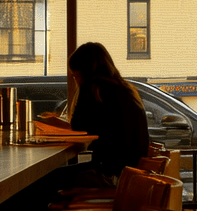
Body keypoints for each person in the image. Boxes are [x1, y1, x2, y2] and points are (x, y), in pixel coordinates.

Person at [46, 42, 149, 183]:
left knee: (40, 182)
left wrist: (52, 124)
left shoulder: (93, 88)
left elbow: (78, 127)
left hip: (108, 176)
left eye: (75, 76)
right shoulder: (127, 90)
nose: (75, 81)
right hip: (129, 177)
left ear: (83, 71)